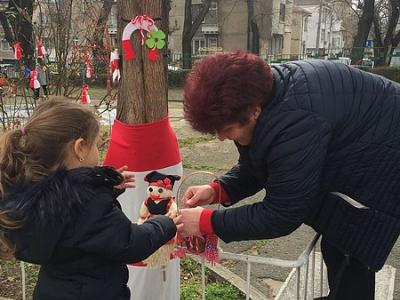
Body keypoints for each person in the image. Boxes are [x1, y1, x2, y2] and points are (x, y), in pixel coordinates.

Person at [175, 51, 400, 300]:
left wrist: (208, 222)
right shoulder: (264, 96)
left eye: (226, 129)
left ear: (255, 112)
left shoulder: (296, 119)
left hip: (385, 158)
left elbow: (282, 214)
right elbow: (260, 162)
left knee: (352, 243)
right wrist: (219, 190)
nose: (220, 137)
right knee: (340, 241)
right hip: (367, 146)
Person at [0, 99, 177, 299]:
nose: (98, 152)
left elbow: (80, 221)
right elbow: (130, 243)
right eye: (95, 145)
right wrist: (165, 224)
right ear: (80, 148)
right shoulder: (86, 205)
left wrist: (105, 186)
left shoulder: (32, 198)